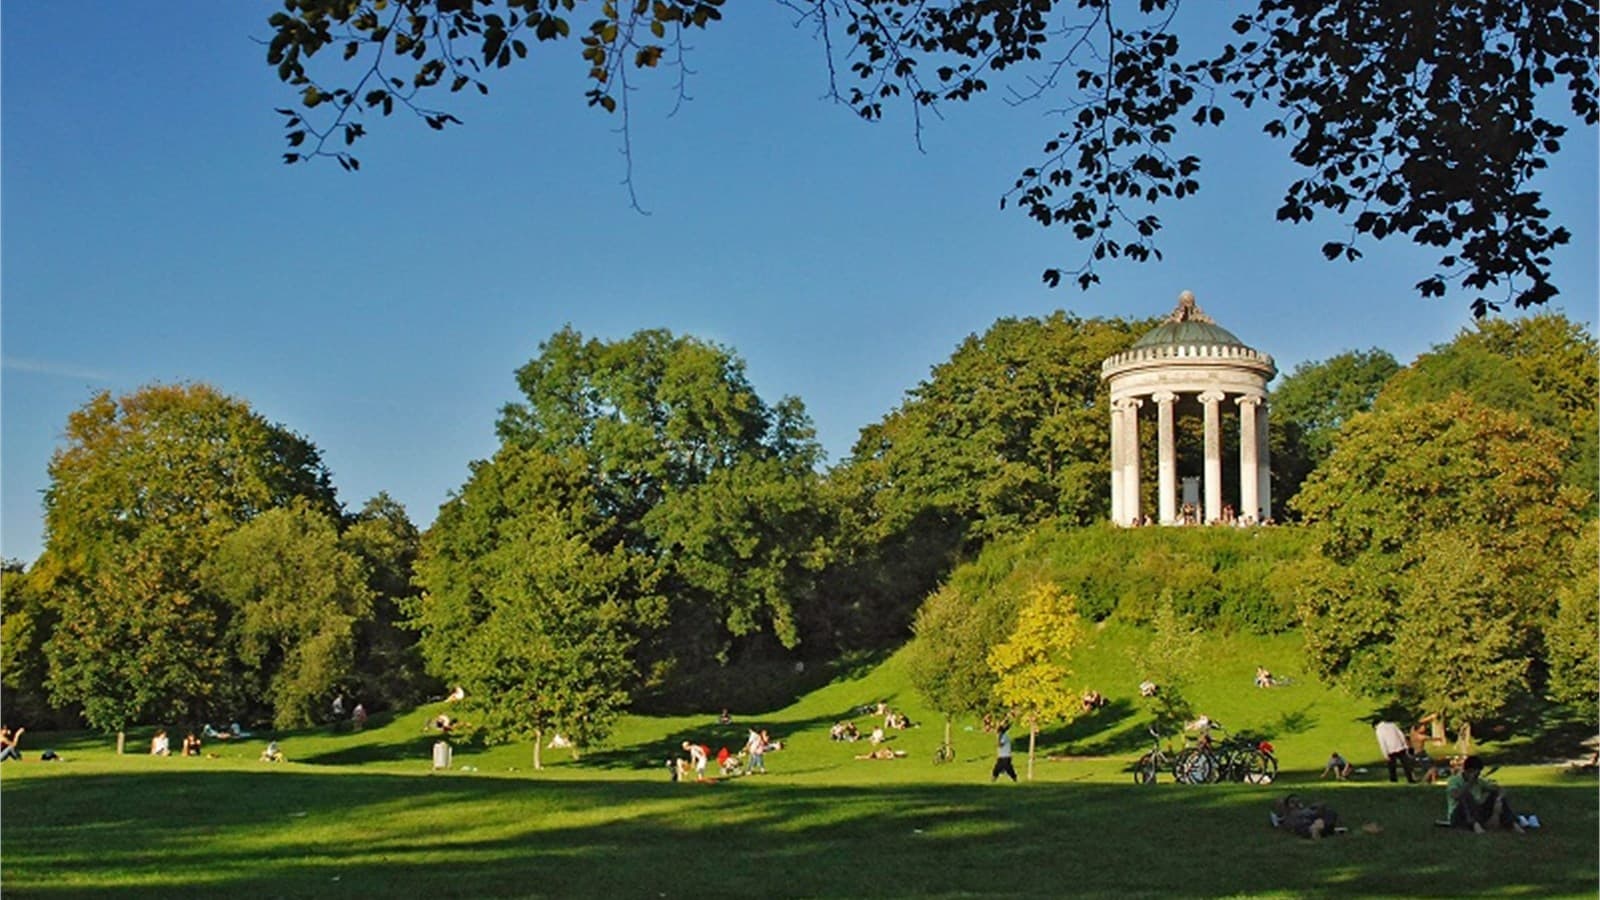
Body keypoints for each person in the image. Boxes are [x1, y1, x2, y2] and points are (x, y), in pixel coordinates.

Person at [1446, 756, 1523, 833]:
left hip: (1477, 812)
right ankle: (1474, 824)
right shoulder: (1454, 781)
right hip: (1459, 814)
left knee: (1494, 795)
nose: (1477, 776)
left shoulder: (1479, 782)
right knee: (1466, 795)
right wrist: (1469, 783)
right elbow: (1456, 796)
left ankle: (1512, 823)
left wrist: (1498, 799)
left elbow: (1499, 789)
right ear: (1468, 771)